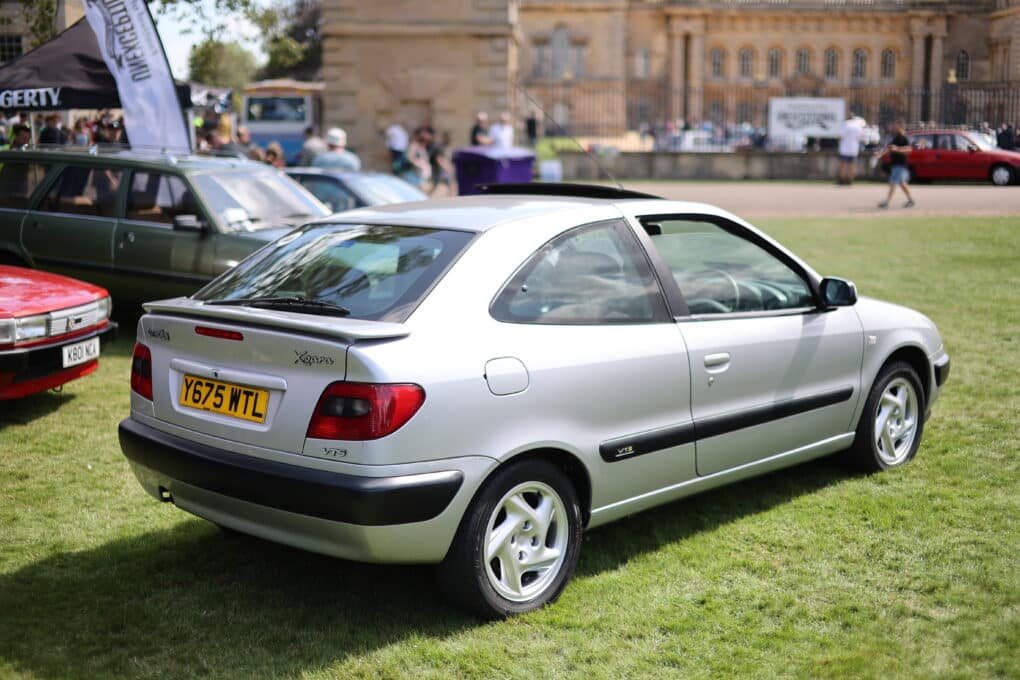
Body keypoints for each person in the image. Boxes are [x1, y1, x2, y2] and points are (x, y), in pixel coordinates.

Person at [877, 121, 914, 209]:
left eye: (896, 126)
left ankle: (886, 202)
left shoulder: (904, 137)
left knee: (893, 183)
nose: (893, 128)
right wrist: (881, 154)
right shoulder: (895, 137)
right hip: (895, 164)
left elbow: (909, 150)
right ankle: (910, 200)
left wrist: (897, 149)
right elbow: (890, 148)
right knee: (902, 184)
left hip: (900, 164)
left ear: (901, 126)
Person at [837, 113, 864, 186]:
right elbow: (860, 137)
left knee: (843, 165)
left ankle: (841, 180)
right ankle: (850, 180)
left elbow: (841, 135)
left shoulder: (846, 124)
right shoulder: (858, 126)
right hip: (854, 149)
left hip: (845, 148)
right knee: (852, 165)